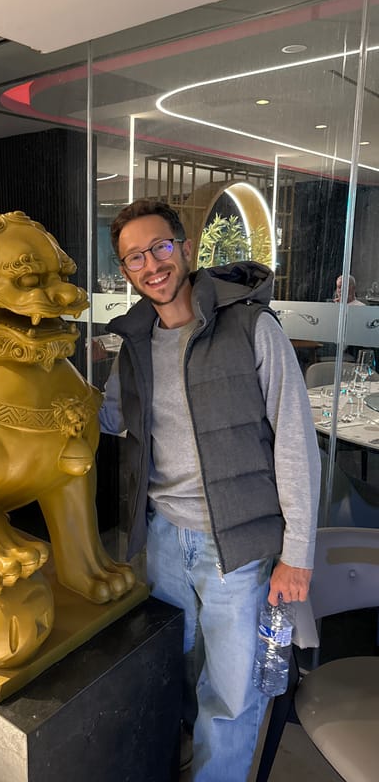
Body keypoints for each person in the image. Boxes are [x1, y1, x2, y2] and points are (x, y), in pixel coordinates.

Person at [99, 199, 321, 782]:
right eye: (134, 258)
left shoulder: (252, 326)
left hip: (237, 550)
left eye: (160, 247)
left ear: (185, 248)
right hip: (164, 541)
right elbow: (101, 418)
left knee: (230, 694)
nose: (151, 265)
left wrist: (296, 555)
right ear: (126, 271)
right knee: (170, 674)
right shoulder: (136, 345)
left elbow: (296, 444)